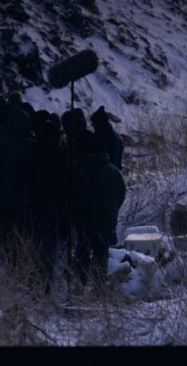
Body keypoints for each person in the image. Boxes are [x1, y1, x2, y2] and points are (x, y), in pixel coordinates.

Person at [73, 131, 126, 287]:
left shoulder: (83, 173)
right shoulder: (115, 172)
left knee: (82, 253)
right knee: (101, 255)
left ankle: (79, 284)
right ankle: (99, 287)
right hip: (107, 222)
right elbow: (121, 195)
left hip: (87, 223)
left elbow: (78, 200)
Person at [30, 117, 74, 293]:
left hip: (37, 208)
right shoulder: (61, 156)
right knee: (50, 249)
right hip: (55, 209)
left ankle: (39, 283)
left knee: (39, 246)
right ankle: (46, 284)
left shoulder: (34, 154)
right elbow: (67, 186)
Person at [0, 102, 36, 257]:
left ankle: (5, 262)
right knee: (22, 235)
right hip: (25, 200)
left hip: (3, 198)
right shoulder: (31, 145)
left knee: (5, 233)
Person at [91, 106, 124, 172]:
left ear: (98, 124)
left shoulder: (102, 139)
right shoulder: (117, 137)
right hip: (116, 174)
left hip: (106, 174)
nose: (92, 126)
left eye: (93, 124)